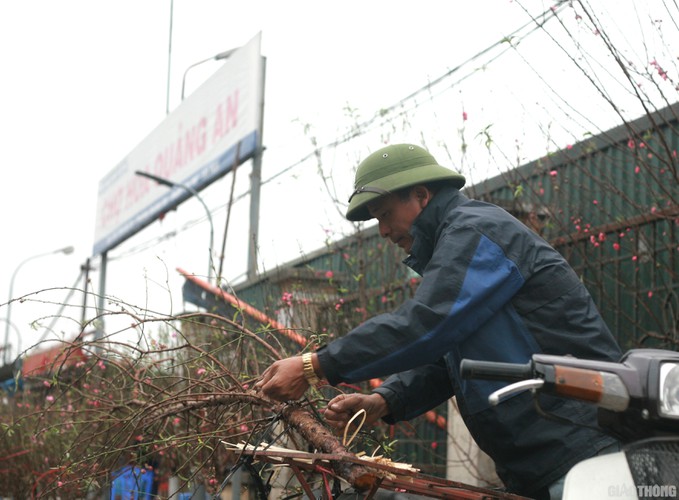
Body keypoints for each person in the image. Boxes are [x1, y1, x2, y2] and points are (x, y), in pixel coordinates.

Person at [256, 143, 622, 499]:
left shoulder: (477, 231)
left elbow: (425, 325)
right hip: (546, 463)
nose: (382, 231)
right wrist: (384, 401)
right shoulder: (459, 245)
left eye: (383, 214)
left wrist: (312, 366)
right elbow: (450, 360)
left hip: (584, 452)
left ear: (421, 196)